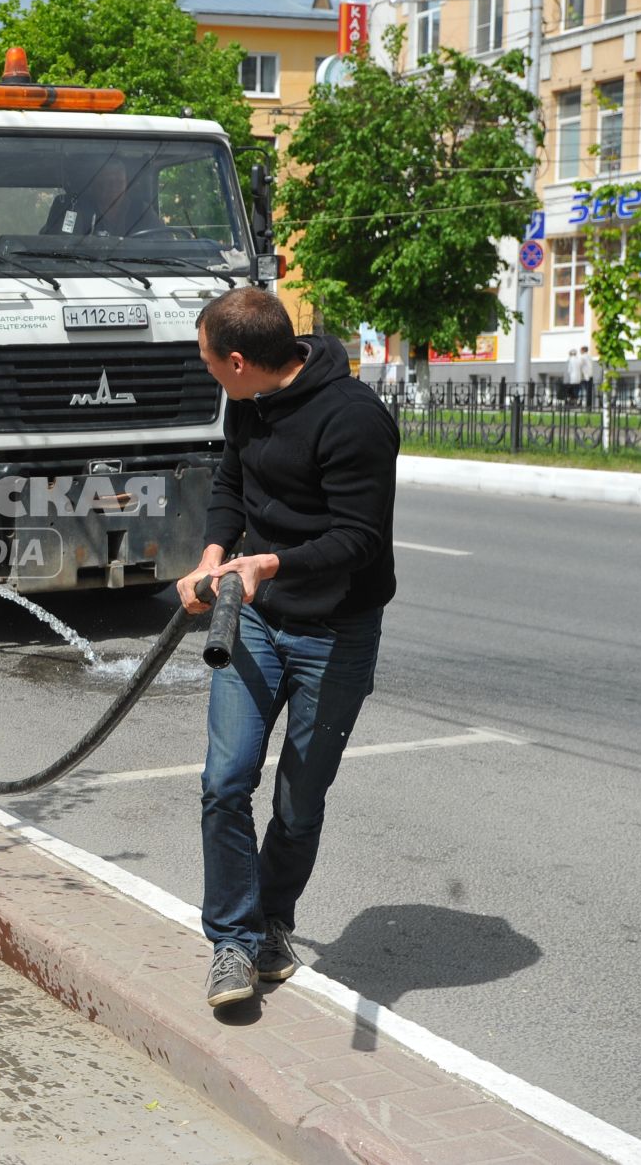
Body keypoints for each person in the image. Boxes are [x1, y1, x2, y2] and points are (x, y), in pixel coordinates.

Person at [177, 287, 399, 1011]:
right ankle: (233, 941)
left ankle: (274, 921)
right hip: (259, 622)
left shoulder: (355, 419)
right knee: (225, 778)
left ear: (238, 360)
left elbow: (358, 539)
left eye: (209, 358)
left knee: (299, 803)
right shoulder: (246, 402)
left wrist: (270, 563)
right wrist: (215, 554)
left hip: (335, 629)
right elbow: (232, 486)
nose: (206, 369)